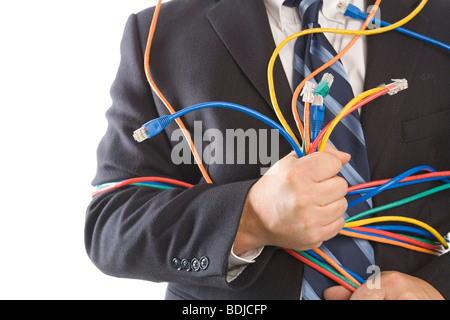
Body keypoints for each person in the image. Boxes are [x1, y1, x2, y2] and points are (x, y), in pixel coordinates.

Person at [85, 0, 450, 300]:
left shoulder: (440, 18)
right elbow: (112, 226)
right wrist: (251, 218)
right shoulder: (159, 34)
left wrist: (438, 287)